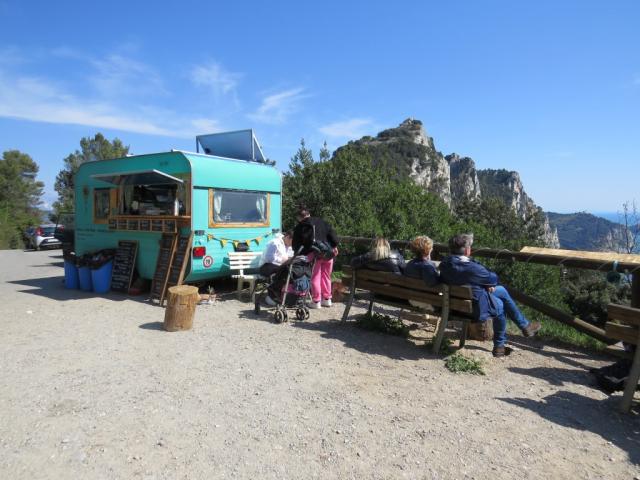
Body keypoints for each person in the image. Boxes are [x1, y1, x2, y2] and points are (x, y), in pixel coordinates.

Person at [439, 233, 541, 357]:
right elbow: (493, 278)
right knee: (501, 305)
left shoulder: (444, 264)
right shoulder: (473, 268)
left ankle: (525, 326)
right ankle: (500, 345)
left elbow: (464, 279)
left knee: (501, 290)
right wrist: (485, 283)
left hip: (454, 305)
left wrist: (482, 284)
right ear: (467, 250)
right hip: (474, 310)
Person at [292, 205, 339, 308]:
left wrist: (300, 254)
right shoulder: (321, 221)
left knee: (315, 276)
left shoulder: (300, 227)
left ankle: (316, 301)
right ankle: (327, 299)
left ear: (299, 217)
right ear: (309, 214)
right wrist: (334, 246)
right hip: (328, 252)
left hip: (314, 254)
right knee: (326, 276)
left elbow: (296, 245)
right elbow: (333, 235)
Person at [260, 231, 294, 306]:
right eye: (292, 241)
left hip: (277, 266)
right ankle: (271, 296)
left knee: (290, 272)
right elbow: (269, 258)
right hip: (266, 266)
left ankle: (282, 295)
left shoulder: (287, 245)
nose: (292, 244)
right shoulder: (274, 243)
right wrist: (282, 260)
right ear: (287, 237)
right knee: (282, 272)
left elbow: (289, 256)